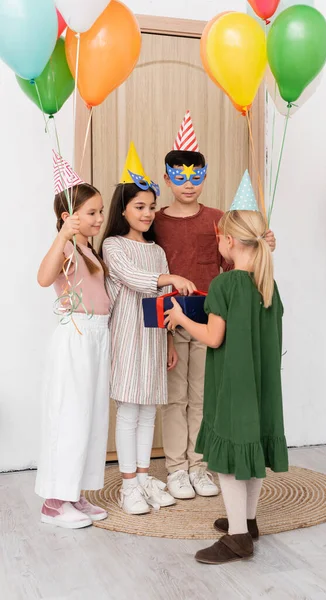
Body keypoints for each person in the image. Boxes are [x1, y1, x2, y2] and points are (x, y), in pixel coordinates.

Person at [165, 172, 288, 564]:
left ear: (229, 241)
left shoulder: (225, 284)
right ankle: (248, 522)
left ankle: (238, 538)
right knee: (251, 452)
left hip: (234, 385)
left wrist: (181, 320)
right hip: (262, 383)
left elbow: (214, 337)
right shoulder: (267, 282)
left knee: (234, 460)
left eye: (218, 237)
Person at [154, 111, 277, 500]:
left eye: (195, 176)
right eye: (179, 176)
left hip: (213, 318)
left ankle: (199, 464)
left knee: (205, 394)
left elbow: (233, 263)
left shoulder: (219, 220)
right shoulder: (156, 222)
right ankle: (175, 467)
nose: (188, 184)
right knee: (175, 396)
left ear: (204, 177)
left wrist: (262, 245)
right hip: (173, 320)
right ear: (167, 177)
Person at [101, 143, 197, 514]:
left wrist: (170, 339)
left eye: (151, 207)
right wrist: (170, 276)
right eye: (139, 206)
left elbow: (162, 300)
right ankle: (128, 485)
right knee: (128, 411)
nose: (147, 213)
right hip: (127, 338)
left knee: (147, 413)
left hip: (155, 338)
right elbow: (135, 279)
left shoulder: (156, 250)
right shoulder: (113, 245)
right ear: (123, 209)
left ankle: (142, 478)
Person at [35, 152, 110, 529]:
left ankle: (74, 492)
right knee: (70, 414)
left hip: (97, 336)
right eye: (92, 213)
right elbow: (44, 278)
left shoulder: (89, 249)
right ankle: (54, 500)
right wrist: (62, 236)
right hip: (76, 335)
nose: (99, 218)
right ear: (68, 217)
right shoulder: (65, 246)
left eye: (100, 212)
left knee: (91, 416)